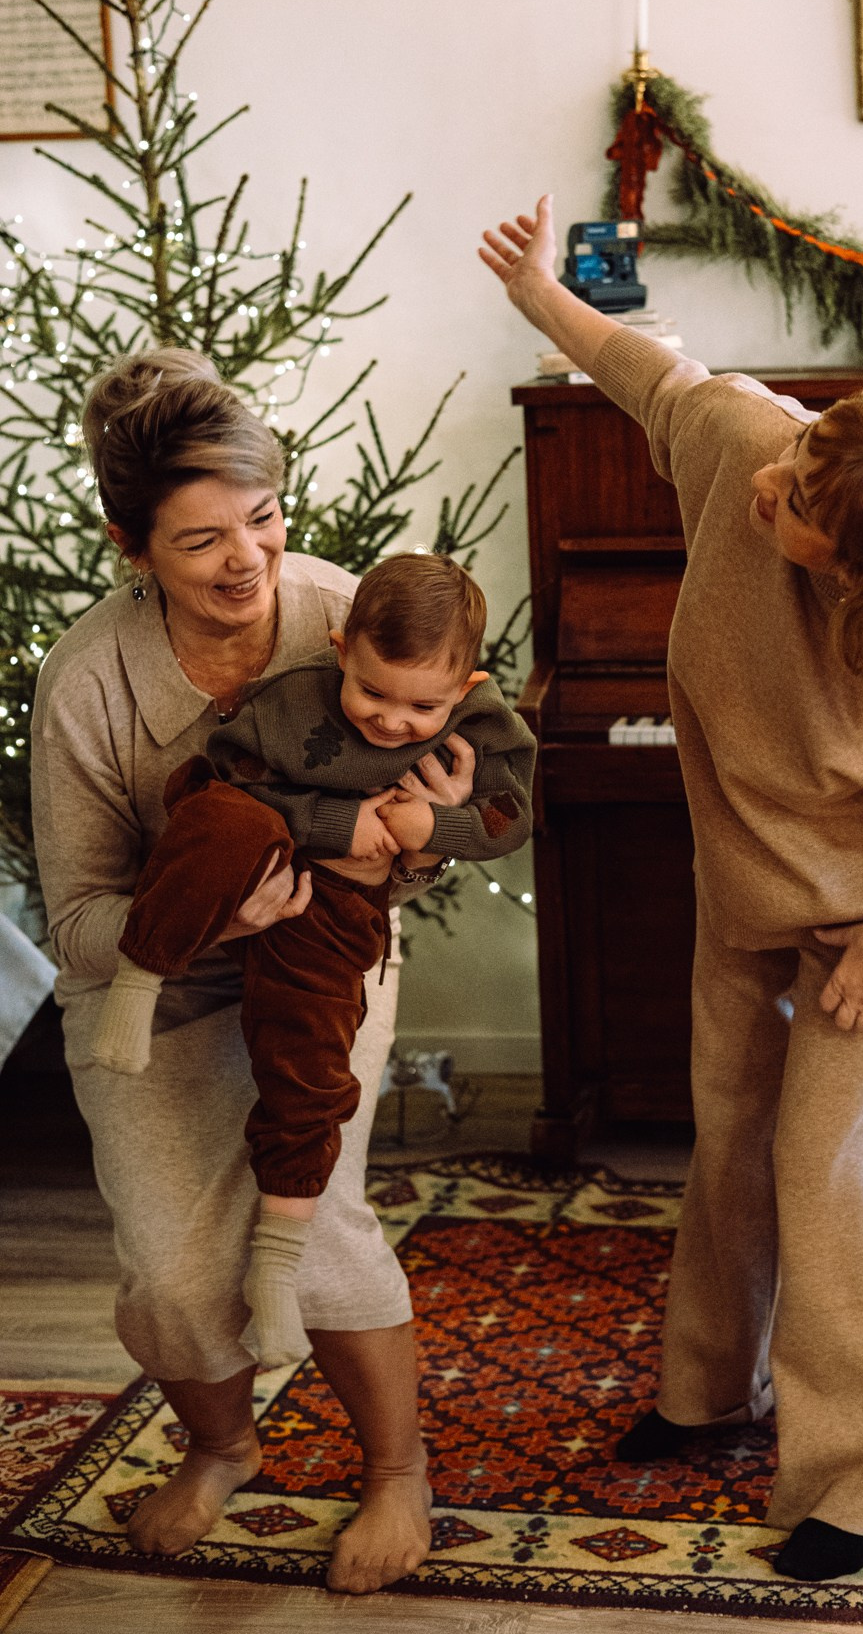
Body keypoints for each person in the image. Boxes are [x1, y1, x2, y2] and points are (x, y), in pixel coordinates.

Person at [479, 196, 863, 1582]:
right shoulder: (756, 450)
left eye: (805, 507)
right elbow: (660, 377)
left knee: (834, 1185)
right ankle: (707, 1397)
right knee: (731, 1141)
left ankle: (861, 1487)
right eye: (803, 458)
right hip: (744, 894)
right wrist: (538, 293)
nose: (774, 490)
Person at [32, 348, 439, 1593]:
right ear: (129, 544)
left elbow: (465, 791)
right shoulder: (87, 682)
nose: (246, 559)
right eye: (200, 538)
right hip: (148, 976)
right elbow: (75, 922)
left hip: (324, 949)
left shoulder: (341, 614)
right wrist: (203, 922)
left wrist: (428, 830)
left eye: (261, 518)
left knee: (314, 1225)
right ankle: (223, 1443)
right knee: (165, 1257)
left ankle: (397, 1471)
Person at [87, 550, 535, 1370]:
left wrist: (436, 830)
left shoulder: (485, 732)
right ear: (339, 650)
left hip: (331, 921)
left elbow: (510, 822)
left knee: (310, 1078)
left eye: (421, 706)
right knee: (223, 820)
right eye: (372, 693)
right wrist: (335, 827)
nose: (392, 723)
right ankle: (138, 979)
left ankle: (278, 1267)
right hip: (256, 862)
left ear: (467, 690)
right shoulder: (292, 705)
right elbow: (222, 783)